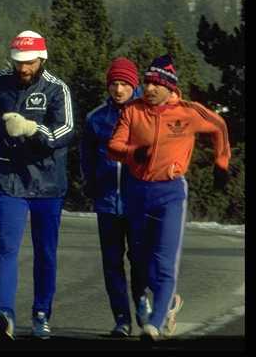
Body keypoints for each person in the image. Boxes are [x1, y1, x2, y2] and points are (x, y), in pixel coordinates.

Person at [107, 54, 231, 341]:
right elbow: (112, 146)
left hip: (171, 193)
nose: (148, 89)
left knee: (164, 261)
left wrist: (221, 163)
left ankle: (155, 322)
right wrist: (131, 152)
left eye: (155, 84)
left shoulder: (187, 112)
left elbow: (219, 127)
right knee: (139, 259)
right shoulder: (132, 111)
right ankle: (171, 301)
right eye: (146, 82)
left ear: (169, 87)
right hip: (137, 192)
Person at [0, 30, 75, 340]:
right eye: (19, 62)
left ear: (42, 59)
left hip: (47, 182)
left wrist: (33, 128)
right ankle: (4, 313)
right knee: (7, 247)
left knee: (44, 252)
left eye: (30, 62)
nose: (23, 68)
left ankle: (40, 313)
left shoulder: (56, 89)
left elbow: (65, 132)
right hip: (9, 179)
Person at [81, 57, 152, 337]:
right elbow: (87, 158)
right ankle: (122, 319)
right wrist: (92, 185)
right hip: (108, 203)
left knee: (140, 259)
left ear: (134, 85)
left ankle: (143, 307)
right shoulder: (96, 118)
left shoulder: (148, 113)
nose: (118, 90)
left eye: (124, 84)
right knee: (112, 262)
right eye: (114, 84)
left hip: (139, 202)